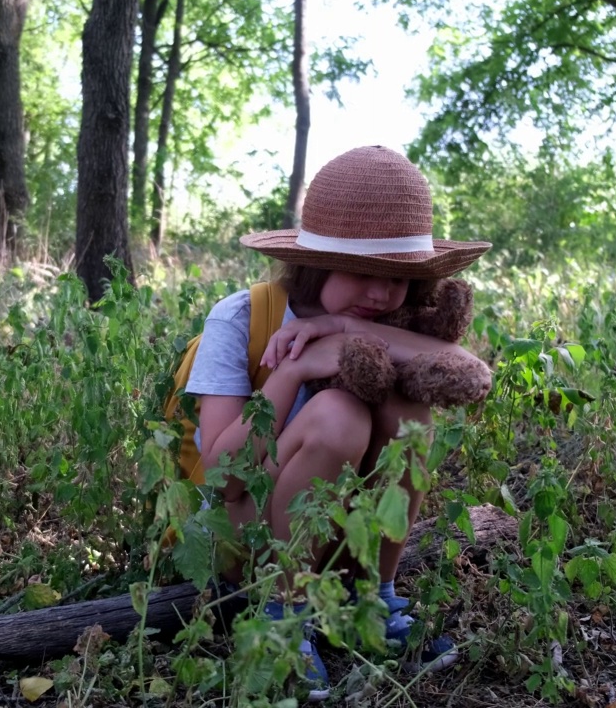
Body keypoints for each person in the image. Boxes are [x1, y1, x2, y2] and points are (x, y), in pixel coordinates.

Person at [183, 145, 491, 698]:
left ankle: (372, 596)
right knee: (337, 414)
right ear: (314, 264)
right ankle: (282, 617)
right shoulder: (240, 317)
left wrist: (342, 327)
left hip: (339, 538)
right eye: (360, 273)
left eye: (398, 277)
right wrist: (293, 368)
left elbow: (471, 373)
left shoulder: (389, 322)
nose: (381, 293)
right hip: (246, 542)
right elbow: (225, 478)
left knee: (407, 410)